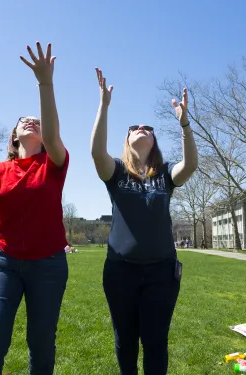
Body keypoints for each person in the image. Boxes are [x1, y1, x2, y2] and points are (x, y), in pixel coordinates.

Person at [0, 42, 69, 375]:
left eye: (37, 122)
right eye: (24, 121)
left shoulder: (54, 163)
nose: (31, 123)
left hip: (48, 264)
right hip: (3, 261)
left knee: (41, 343)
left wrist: (45, 83)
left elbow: (53, 134)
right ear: (13, 135)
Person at [90, 68, 198, 375]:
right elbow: (96, 152)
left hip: (161, 272)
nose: (141, 127)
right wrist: (104, 105)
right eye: (134, 127)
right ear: (127, 139)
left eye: (148, 128)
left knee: (155, 342)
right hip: (119, 271)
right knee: (125, 341)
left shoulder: (165, 175)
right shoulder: (117, 173)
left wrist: (185, 123)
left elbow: (190, 164)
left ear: (154, 141)